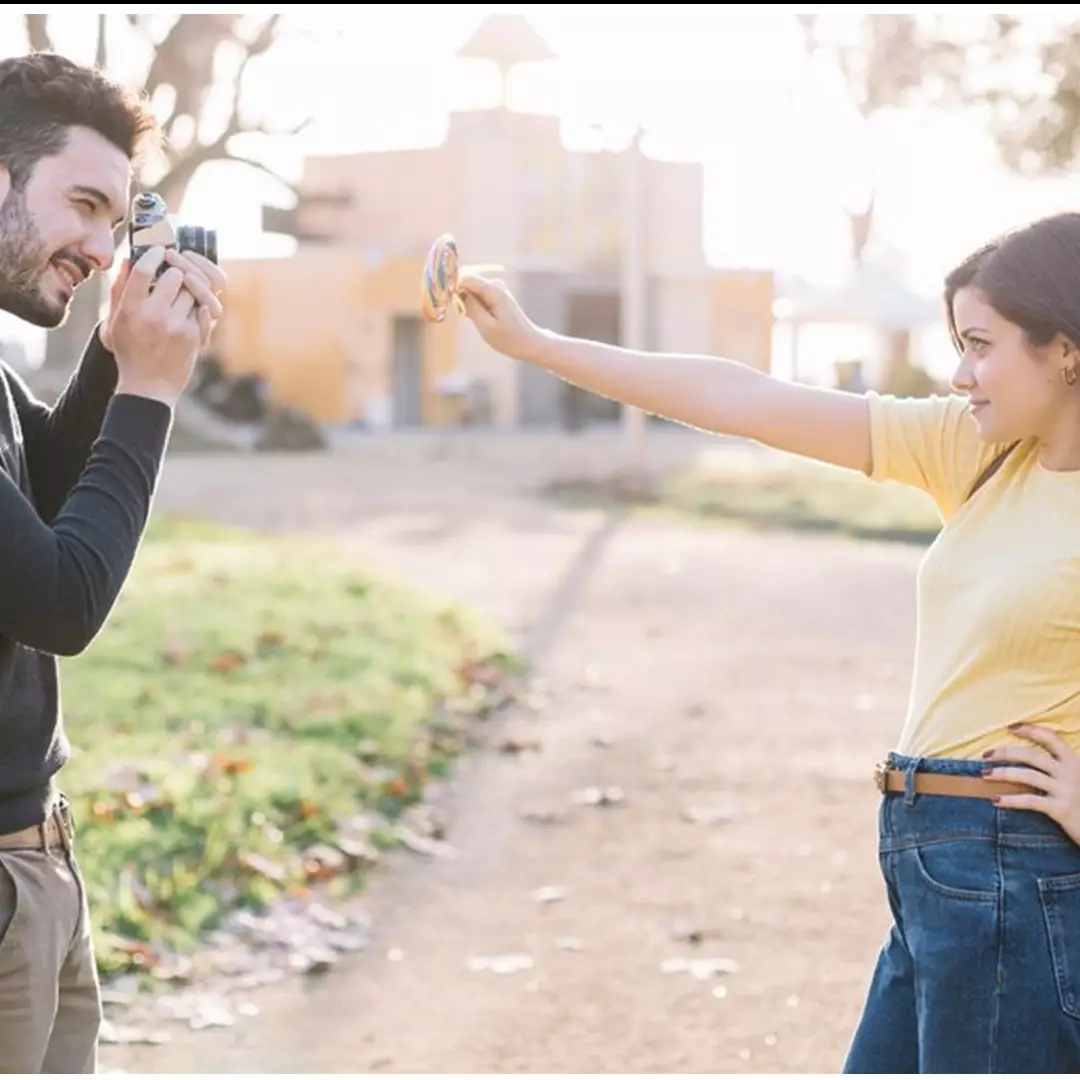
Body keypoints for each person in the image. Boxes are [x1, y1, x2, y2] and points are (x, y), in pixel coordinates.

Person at [458, 213, 1080, 1073]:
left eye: (981, 345)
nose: (961, 372)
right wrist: (538, 347)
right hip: (934, 864)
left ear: (1066, 350)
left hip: (1014, 870)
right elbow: (744, 399)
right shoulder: (977, 454)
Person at [0, 52, 226, 1072]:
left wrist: (114, 346)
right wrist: (149, 391)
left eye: (118, 217)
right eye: (83, 206)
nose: (100, 245)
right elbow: (61, 600)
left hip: (36, 862)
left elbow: (39, 498)